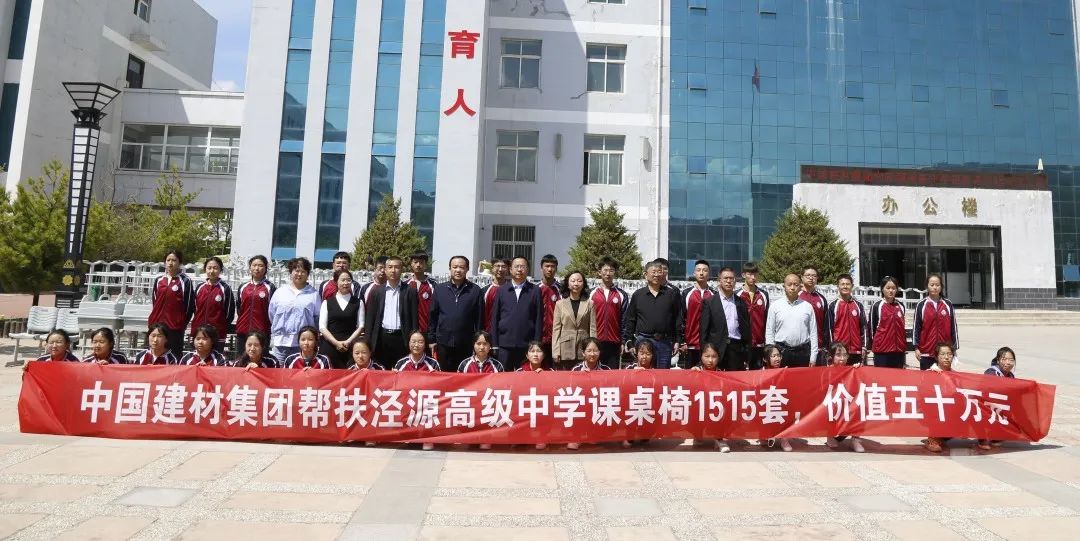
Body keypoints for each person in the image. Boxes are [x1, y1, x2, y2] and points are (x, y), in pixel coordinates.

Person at [623, 260, 684, 369]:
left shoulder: (671, 294)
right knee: (643, 373)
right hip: (643, 341)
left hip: (664, 342)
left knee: (662, 375)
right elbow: (631, 320)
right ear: (645, 275)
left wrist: (678, 341)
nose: (657, 275)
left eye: (659, 272)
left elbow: (677, 319)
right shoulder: (638, 295)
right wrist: (629, 341)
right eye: (654, 272)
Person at [429, 255, 483, 370]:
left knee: (464, 374)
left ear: (467, 269)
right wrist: (432, 339)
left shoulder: (475, 290)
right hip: (443, 342)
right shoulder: (440, 289)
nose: (458, 270)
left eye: (462, 267)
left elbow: (479, 318)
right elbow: (433, 316)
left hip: (466, 343)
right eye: (455, 267)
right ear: (450, 268)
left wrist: (478, 341)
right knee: (444, 374)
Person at [364, 255, 419, 368]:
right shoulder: (377, 291)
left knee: (400, 370)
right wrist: (368, 341)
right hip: (382, 338)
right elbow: (370, 319)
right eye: (390, 267)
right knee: (382, 370)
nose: (393, 270)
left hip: (402, 338)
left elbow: (414, 319)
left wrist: (413, 340)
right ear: (385, 269)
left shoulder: (410, 291)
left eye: (397, 267)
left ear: (402, 270)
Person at [491, 256, 544, 369]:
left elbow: (539, 319)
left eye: (522, 266)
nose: (519, 269)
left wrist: (536, 343)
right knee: (504, 376)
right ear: (510, 269)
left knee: (525, 376)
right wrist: (494, 344)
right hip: (505, 344)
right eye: (516, 266)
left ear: (527, 269)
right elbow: (495, 318)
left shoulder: (535, 290)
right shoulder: (502, 290)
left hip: (527, 345)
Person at [269, 257, 321, 361]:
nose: (299, 274)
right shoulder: (280, 292)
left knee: (300, 370)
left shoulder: (313, 294)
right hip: (281, 343)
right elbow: (272, 314)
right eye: (296, 271)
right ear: (291, 272)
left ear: (307, 274)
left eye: (303, 271)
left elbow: (317, 318)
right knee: (279, 369)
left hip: (303, 344)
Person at [700, 266, 751, 371]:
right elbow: (703, 331)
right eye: (725, 278)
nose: (728, 281)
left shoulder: (741, 302)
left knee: (734, 380)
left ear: (735, 281)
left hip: (736, 349)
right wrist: (704, 354)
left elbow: (746, 330)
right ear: (719, 281)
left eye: (731, 278)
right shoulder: (709, 302)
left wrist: (747, 353)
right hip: (715, 350)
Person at [148, 249, 195, 359]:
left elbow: (189, 305)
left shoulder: (185, 281)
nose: (170, 263)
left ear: (180, 262)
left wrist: (181, 322)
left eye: (174, 260)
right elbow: (155, 302)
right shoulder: (159, 280)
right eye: (168, 260)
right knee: (155, 355)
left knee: (174, 356)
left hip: (174, 327)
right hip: (157, 326)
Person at [764, 273, 817, 367]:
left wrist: (813, 356)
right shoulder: (775, 306)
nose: (792, 288)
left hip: (803, 353)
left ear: (800, 286)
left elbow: (813, 333)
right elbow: (769, 331)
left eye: (796, 285)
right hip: (782, 352)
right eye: (789, 284)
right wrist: (771, 354)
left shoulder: (807, 307)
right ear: (784, 286)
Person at [319, 269, 365, 369]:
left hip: (350, 347)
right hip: (330, 346)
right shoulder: (327, 303)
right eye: (342, 280)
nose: (346, 283)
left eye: (348, 280)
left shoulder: (358, 302)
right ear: (336, 282)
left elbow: (361, 326)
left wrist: (348, 342)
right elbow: (322, 327)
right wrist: (336, 343)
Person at [824, 342, 866, 453]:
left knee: (860, 405)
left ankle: (855, 439)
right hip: (833, 404)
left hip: (848, 403)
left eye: (844, 355)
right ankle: (830, 435)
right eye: (838, 355)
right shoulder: (826, 371)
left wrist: (858, 370)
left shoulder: (852, 370)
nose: (842, 358)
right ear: (831, 356)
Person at [551, 271, 597, 370]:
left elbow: (592, 329)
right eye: (573, 281)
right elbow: (556, 330)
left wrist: (593, 349)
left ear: (583, 284)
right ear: (568, 284)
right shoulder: (560, 304)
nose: (576, 284)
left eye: (579, 281)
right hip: (565, 349)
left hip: (583, 348)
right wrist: (555, 351)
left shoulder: (590, 304)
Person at [913, 274, 959, 371]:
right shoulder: (921, 305)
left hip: (944, 353)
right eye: (932, 285)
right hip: (926, 352)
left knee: (944, 378)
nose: (935, 287)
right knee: (926, 379)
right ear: (927, 286)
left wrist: (954, 348)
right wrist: (916, 348)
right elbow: (916, 328)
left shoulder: (948, 304)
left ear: (941, 286)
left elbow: (953, 327)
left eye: (937, 285)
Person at [591, 257, 630, 369]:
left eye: (611, 270)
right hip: (595, 341)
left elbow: (624, 320)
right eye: (605, 270)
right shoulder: (591, 293)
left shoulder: (621, 295)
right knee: (595, 372)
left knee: (612, 373)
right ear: (599, 272)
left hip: (614, 342)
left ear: (615, 272)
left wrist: (623, 342)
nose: (608, 273)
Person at [190, 257, 235, 352]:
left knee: (215, 359)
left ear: (220, 270)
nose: (212, 271)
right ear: (205, 269)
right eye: (209, 268)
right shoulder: (200, 287)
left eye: (215, 268)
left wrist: (220, 326)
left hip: (217, 333)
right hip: (199, 332)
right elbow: (194, 309)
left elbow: (229, 313)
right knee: (197, 358)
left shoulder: (225, 289)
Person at [691, 342, 730, 452]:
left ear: (718, 357)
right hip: (700, 405)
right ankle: (697, 433)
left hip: (716, 406)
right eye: (707, 356)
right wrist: (692, 373)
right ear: (701, 356)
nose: (710, 360)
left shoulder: (722, 373)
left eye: (714, 356)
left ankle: (719, 439)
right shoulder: (696, 371)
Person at [515, 341, 554, 450]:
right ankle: (522, 436)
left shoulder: (550, 372)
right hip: (525, 405)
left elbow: (554, 392)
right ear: (527, 355)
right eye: (532, 351)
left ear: (544, 355)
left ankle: (542, 436)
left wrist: (544, 376)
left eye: (539, 351)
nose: (535, 354)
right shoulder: (519, 372)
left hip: (542, 405)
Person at [681, 260, 716, 368]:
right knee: (690, 374)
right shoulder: (686, 293)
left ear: (708, 274)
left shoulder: (714, 294)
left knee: (708, 374)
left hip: (709, 345)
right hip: (690, 344)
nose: (701, 273)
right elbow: (682, 318)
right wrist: (683, 341)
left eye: (704, 270)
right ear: (694, 273)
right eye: (698, 270)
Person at [235, 255, 276, 349]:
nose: (257, 268)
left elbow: (273, 310)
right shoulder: (243, 287)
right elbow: (239, 308)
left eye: (260, 265)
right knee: (242, 357)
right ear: (250, 267)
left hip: (262, 332)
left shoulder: (270, 287)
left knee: (261, 358)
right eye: (254, 265)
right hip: (243, 331)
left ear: (265, 268)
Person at [979, 347, 1016, 450]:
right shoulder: (991, 372)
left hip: (999, 406)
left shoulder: (1011, 376)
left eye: (1011, 360)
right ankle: (982, 437)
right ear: (998, 360)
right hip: (985, 405)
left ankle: (996, 434)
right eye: (1004, 359)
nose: (1008, 362)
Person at [826, 274, 867, 365]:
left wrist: (864, 346)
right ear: (838, 286)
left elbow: (863, 327)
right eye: (842, 284)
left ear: (852, 286)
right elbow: (829, 330)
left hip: (856, 351)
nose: (845, 286)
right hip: (840, 352)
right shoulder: (833, 306)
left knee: (857, 374)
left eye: (848, 284)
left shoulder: (858, 305)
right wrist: (832, 349)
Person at [867, 276, 907, 369]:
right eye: (888, 288)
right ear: (882, 289)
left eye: (893, 288)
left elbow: (902, 327)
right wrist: (876, 346)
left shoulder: (901, 306)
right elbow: (872, 329)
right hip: (882, 352)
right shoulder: (877, 306)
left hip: (898, 351)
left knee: (898, 376)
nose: (891, 291)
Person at [738, 261, 770, 370]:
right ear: (743, 275)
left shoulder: (763, 295)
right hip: (741, 344)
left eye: (755, 274)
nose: (753, 277)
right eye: (750, 274)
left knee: (757, 374)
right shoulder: (737, 295)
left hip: (759, 344)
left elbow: (767, 319)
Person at [926, 342, 956, 453]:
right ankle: (932, 439)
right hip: (934, 410)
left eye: (949, 354)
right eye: (943, 354)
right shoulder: (929, 374)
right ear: (937, 356)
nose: (946, 357)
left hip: (950, 410)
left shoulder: (956, 375)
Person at [798, 266, 830, 365]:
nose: (811, 278)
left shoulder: (821, 299)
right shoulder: (797, 296)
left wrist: (826, 345)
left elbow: (826, 324)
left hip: (818, 347)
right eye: (808, 275)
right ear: (802, 277)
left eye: (814, 276)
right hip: (800, 347)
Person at [537, 254, 561, 364]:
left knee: (555, 369)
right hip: (538, 338)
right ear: (541, 268)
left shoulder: (562, 290)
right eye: (547, 266)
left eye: (552, 266)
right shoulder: (534, 289)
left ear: (556, 269)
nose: (550, 269)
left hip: (556, 339)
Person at [408, 252, 438, 336]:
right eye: (415, 262)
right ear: (411, 264)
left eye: (421, 262)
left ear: (425, 265)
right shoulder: (405, 285)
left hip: (427, 331)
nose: (418, 265)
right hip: (409, 331)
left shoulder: (433, 285)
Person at [481, 258, 509, 333]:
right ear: (492, 268)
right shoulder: (484, 290)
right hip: (488, 332)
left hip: (507, 333)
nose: (500, 269)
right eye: (497, 266)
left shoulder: (512, 289)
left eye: (503, 266)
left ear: (508, 269)